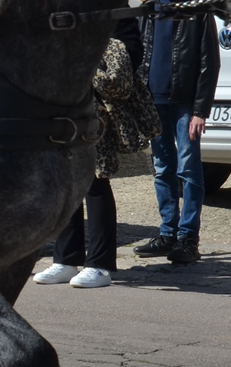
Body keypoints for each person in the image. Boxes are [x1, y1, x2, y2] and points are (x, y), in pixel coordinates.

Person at [34, 20, 156, 288]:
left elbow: (132, 52)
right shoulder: (64, 12)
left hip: (95, 109)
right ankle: (66, 260)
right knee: (66, 183)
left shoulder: (113, 11)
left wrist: (89, 60)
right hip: (63, 106)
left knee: (95, 182)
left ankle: (99, 265)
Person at [135, 0, 219, 264]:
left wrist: (200, 111)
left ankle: (188, 239)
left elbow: (209, 62)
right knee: (162, 169)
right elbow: (138, 56)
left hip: (185, 103)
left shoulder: (197, 9)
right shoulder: (147, 10)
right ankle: (167, 234)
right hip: (154, 102)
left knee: (189, 169)